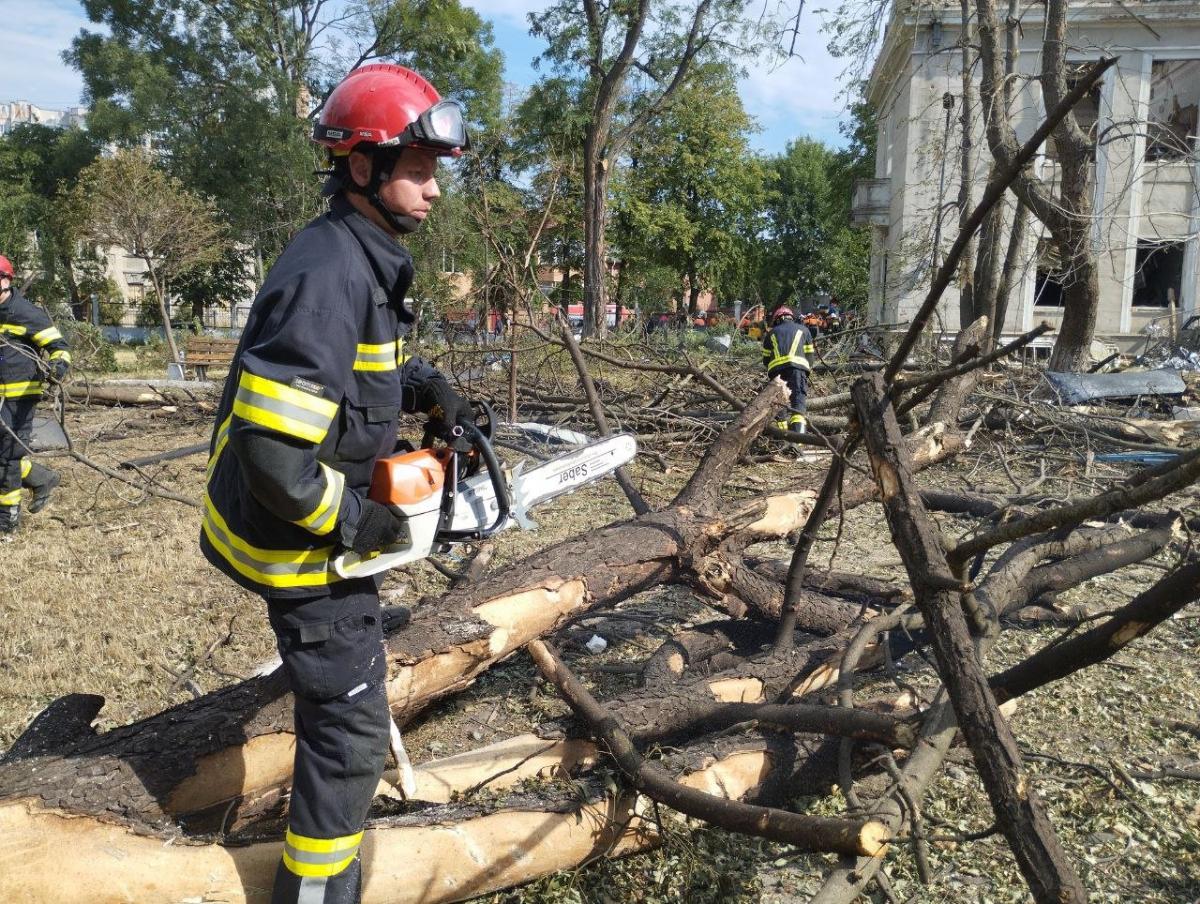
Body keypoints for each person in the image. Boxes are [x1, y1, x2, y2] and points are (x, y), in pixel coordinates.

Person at [199, 64, 473, 904]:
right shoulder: (327, 274)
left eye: (436, 171)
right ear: (362, 167)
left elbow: (347, 375)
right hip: (297, 544)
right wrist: (360, 525)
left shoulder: (364, 253)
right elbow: (275, 458)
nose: (432, 191)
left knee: (348, 706)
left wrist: (419, 383)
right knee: (351, 735)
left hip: (309, 525)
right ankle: (317, 893)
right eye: (417, 170)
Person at [0, 253, 69, 534]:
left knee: (7, 458)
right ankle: (41, 478)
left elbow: (60, 347)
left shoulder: (25, 313)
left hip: (20, 397)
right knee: (6, 457)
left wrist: (57, 367)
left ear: (5, 281)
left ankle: (7, 521)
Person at [762, 305, 814, 434]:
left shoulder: (770, 334)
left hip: (776, 374)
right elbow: (810, 357)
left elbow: (765, 360)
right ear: (791, 318)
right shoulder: (804, 330)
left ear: (777, 320)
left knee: (780, 405)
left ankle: (783, 440)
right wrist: (805, 371)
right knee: (798, 402)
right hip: (797, 370)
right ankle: (799, 439)